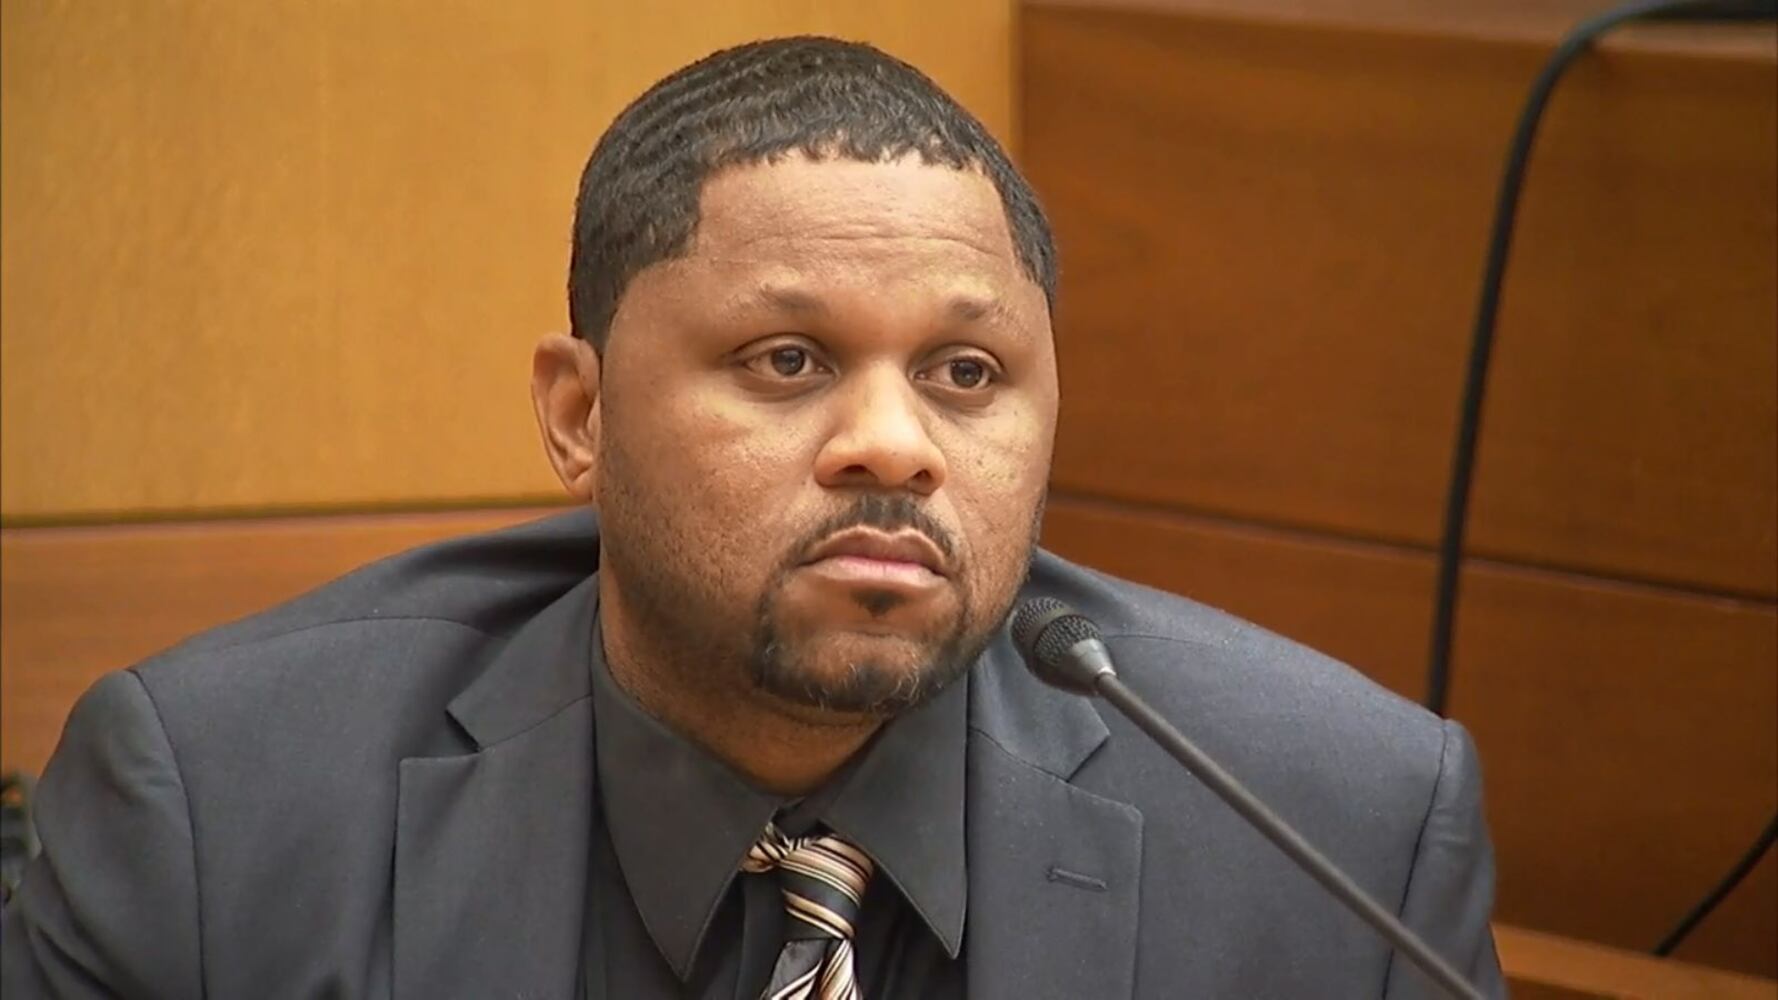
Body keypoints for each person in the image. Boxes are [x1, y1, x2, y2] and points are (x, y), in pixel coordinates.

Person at [1, 36, 1503, 999]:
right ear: (578, 415)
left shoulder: (1334, 831)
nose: (893, 446)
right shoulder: (219, 814)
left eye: (966, 374)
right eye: (787, 361)